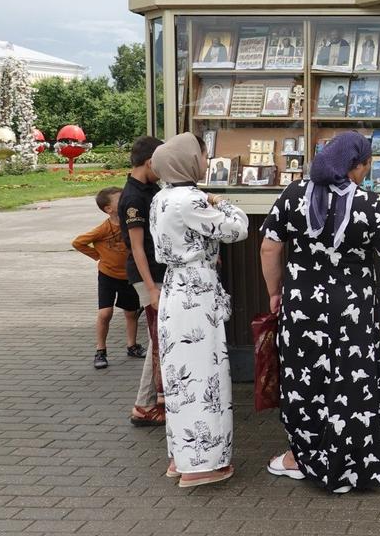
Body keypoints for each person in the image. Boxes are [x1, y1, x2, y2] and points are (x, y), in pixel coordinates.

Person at [261, 132, 380, 493]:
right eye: (367, 163)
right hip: (351, 309)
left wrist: (275, 293)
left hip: (303, 306)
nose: (368, 169)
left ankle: (302, 457)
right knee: (353, 382)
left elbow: (269, 248)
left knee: (305, 380)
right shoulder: (368, 204)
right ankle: (355, 464)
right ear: (356, 166)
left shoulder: (294, 195)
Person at [149, 133, 248, 488]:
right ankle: (202, 465)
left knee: (180, 377)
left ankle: (182, 457)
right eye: (203, 156)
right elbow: (237, 229)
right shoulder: (192, 199)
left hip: (175, 287)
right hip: (196, 291)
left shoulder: (161, 198)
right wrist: (223, 202)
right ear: (189, 161)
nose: (207, 162)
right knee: (203, 375)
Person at [119, 136, 166, 427]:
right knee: (157, 339)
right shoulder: (133, 198)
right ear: (149, 162)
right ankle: (146, 405)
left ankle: (146, 403)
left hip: (158, 273)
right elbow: (136, 248)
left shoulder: (151, 188)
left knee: (156, 339)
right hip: (147, 276)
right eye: (160, 165)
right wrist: (150, 288)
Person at [72, 187, 143, 370]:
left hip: (129, 275)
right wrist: (98, 255)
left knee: (131, 312)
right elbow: (78, 242)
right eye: (120, 201)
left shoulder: (131, 223)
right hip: (107, 275)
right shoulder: (104, 228)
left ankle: (132, 345)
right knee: (105, 313)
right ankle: (101, 350)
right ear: (108, 209)